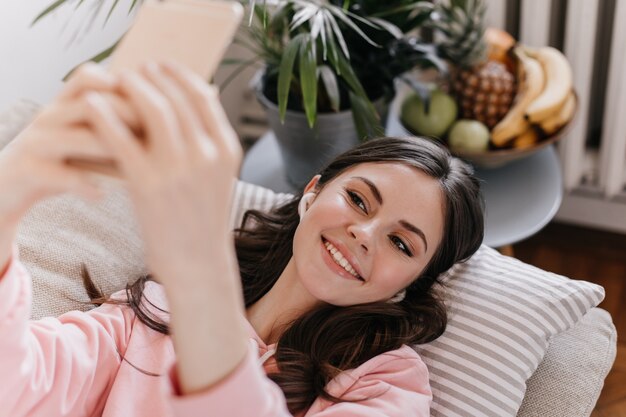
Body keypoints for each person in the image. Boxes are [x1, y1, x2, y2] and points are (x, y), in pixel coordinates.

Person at [0, 61, 484, 417]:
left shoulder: (385, 382)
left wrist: (199, 271)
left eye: (402, 244)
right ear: (312, 195)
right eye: (359, 200)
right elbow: (19, 389)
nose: (364, 233)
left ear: (412, 283)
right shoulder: (156, 310)